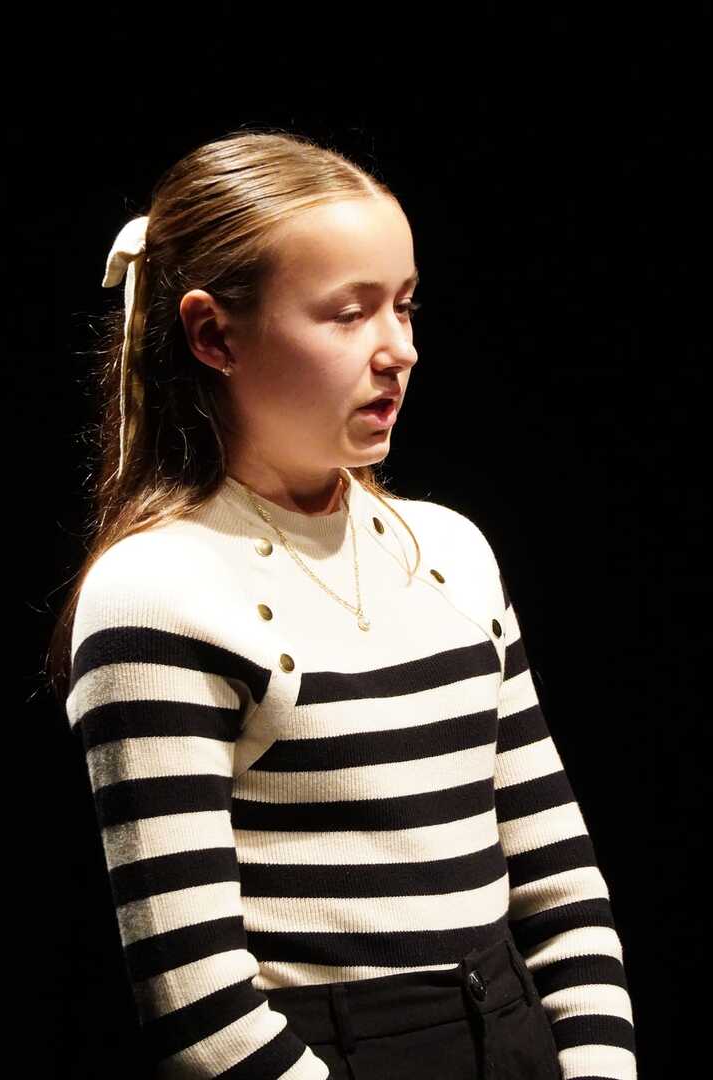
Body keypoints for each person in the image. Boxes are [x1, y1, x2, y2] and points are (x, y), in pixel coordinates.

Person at [48, 129, 637, 1079]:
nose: (398, 350)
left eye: (405, 306)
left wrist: (599, 1067)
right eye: (348, 314)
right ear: (214, 335)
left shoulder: (452, 553)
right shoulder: (162, 590)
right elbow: (200, 1007)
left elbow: (559, 880)